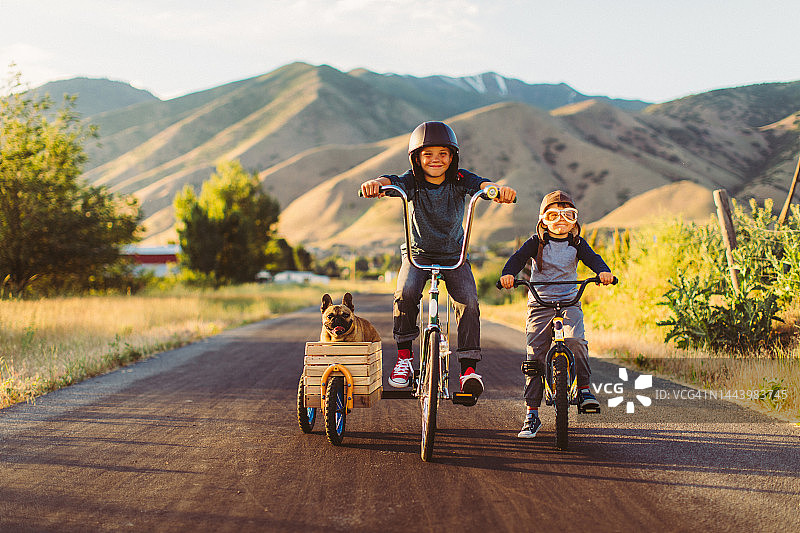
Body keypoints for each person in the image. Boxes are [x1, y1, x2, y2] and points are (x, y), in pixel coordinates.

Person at [360, 121, 516, 401]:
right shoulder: (412, 182)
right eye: (428, 154)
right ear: (417, 158)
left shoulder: (459, 180)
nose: (435, 160)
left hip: (454, 256)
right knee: (406, 293)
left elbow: (483, 185)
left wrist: (497, 190)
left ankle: (468, 371)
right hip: (417, 254)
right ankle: (405, 357)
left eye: (443, 154)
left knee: (468, 302)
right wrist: (376, 184)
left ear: (452, 157)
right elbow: (389, 179)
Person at [499, 190, 614, 438]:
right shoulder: (535, 242)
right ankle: (532, 413)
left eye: (567, 215)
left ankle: (583, 390)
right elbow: (517, 259)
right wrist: (508, 274)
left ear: (574, 220)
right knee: (535, 357)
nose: (561, 220)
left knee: (576, 341)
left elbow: (594, 259)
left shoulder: (577, 244)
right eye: (554, 215)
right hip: (540, 304)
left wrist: (604, 272)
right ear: (543, 219)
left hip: (569, 301)